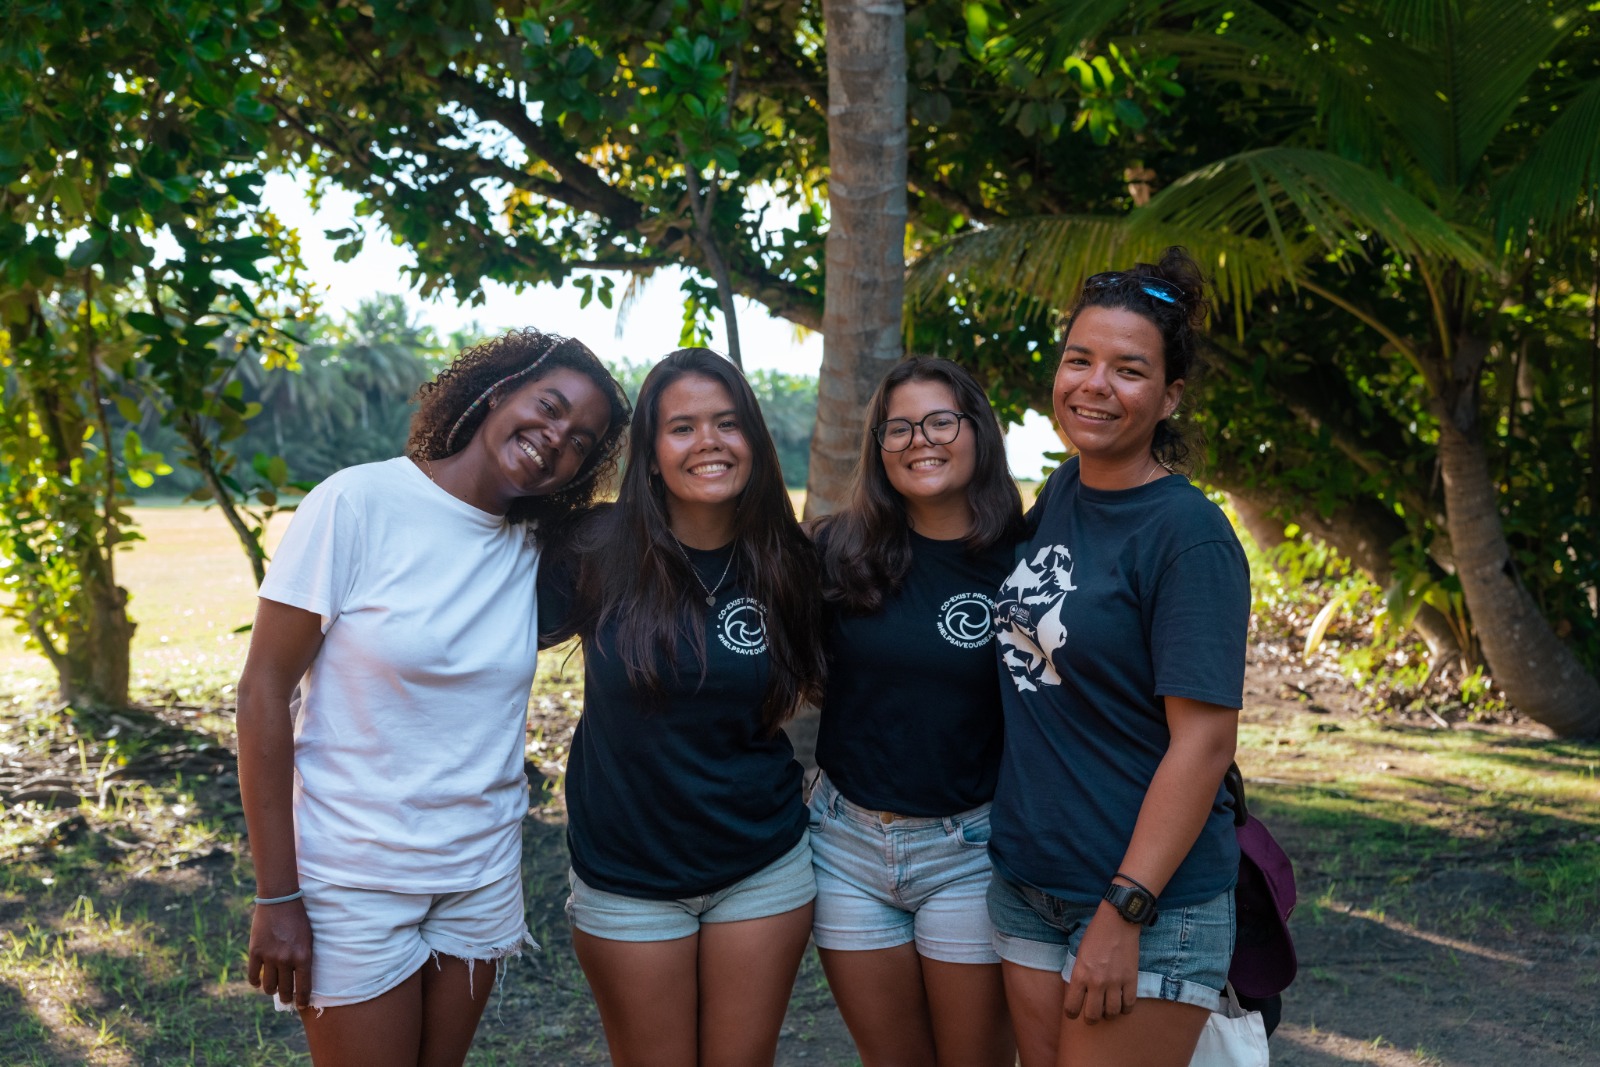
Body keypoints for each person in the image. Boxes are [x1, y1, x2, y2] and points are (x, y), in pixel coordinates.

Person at [236, 329, 630, 1067]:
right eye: (549, 408)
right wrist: (277, 895)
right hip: (355, 876)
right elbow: (262, 693)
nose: (556, 438)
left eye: (581, 440)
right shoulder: (358, 502)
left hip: (480, 875)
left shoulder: (539, 548)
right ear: (496, 391)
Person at [987, 248, 1251, 1067]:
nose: (1095, 384)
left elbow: (1205, 742)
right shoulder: (1063, 491)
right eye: (1080, 359)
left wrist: (1124, 908)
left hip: (1147, 904)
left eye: (1129, 369)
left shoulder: (1188, 535)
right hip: (1029, 886)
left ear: (1170, 395)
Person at [537, 348, 828, 1067]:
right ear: (651, 452)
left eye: (728, 423)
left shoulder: (786, 559)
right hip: (626, 876)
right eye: (682, 427)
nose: (709, 442)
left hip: (762, 865)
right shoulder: (595, 548)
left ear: (753, 439)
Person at [807, 357, 1023, 1067]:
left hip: (969, 849)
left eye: (939, 422)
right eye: (897, 428)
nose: (918, 440)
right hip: (845, 846)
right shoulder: (836, 550)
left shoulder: (1023, 562)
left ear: (977, 430)